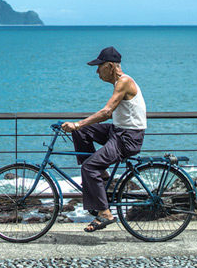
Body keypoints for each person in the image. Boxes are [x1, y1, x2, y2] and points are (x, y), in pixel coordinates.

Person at [61, 46, 146, 233]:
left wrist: (77, 123)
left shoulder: (124, 82)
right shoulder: (119, 83)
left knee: (89, 166)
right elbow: (109, 116)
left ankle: (105, 213)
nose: (97, 71)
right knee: (82, 132)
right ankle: (102, 175)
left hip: (127, 138)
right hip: (118, 131)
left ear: (109, 66)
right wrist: (79, 127)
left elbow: (107, 112)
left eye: (99, 66)